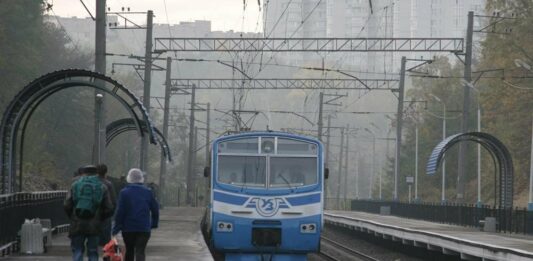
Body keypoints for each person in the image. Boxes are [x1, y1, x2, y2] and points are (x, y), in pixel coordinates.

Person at [64, 165, 114, 261]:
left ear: (83, 173)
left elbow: (67, 204)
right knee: (92, 251)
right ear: (97, 173)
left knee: (77, 250)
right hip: (94, 225)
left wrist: (72, 216)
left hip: (77, 223)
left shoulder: (75, 185)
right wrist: (101, 218)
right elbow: (109, 207)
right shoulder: (102, 187)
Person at [113, 168, 159, 261]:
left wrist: (116, 228)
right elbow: (155, 209)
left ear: (129, 178)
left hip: (128, 228)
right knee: (140, 251)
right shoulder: (148, 192)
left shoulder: (124, 192)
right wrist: (154, 223)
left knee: (129, 250)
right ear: (141, 178)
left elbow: (120, 212)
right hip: (144, 228)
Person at [97, 164, 116, 246]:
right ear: (106, 172)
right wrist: (111, 212)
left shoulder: (92, 183)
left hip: (93, 213)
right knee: (105, 238)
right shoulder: (108, 184)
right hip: (105, 213)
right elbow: (113, 200)